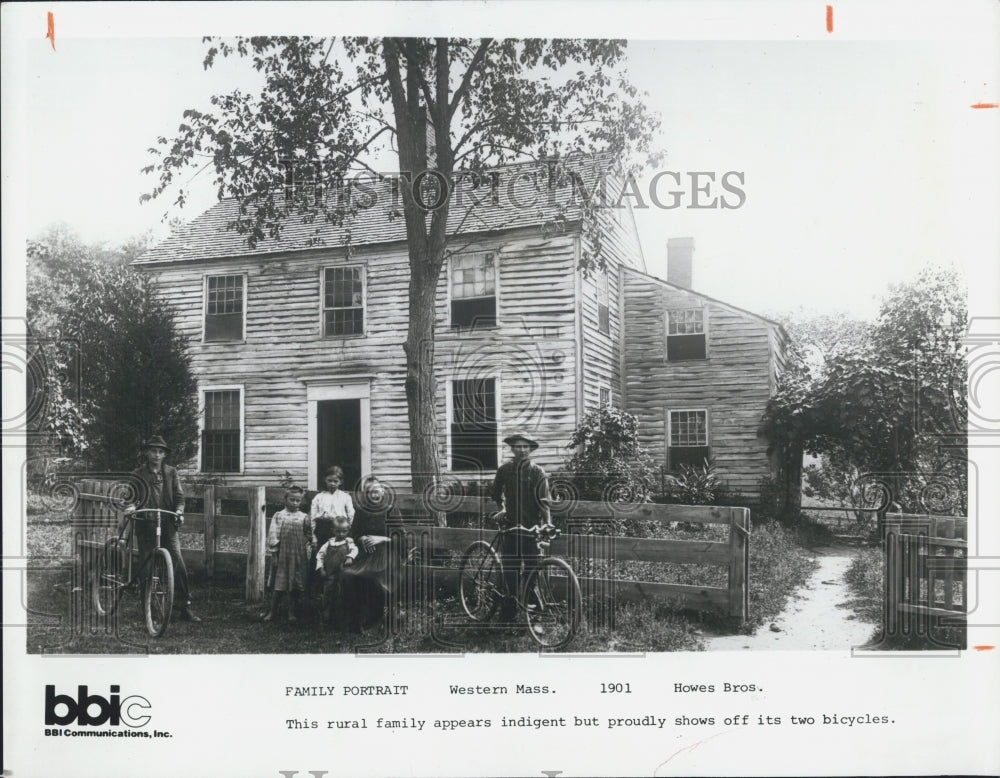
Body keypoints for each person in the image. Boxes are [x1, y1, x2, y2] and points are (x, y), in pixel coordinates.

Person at [126, 435, 200, 622]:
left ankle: (184, 607)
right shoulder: (137, 474)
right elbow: (130, 497)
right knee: (147, 566)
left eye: (160, 452)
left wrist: (179, 511)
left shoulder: (171, 472)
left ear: (164, 455)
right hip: (146, 524)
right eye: (153, 451)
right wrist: (132, 506)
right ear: (147, 452)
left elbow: (179, 497)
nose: (156, 455)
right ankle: (147, 608)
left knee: (178, 563)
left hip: (167, 523)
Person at [491, 432, 552, 623]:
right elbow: (496, 492)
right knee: (510, 570)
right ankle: (508, 611)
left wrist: (547, 524)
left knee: (532, 569)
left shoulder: (537, 472)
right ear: (512, 448)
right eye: (518, 446)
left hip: (531, 529)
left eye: (526, 447)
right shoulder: (504, 470)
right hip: (510, 528)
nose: (522, 450)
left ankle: (531, 606)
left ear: (531, 449)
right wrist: (501, 508)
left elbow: (544, 502)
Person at [264, 485, 311, 623]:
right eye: (292, 500)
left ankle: (291, 612)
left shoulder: (304, 517)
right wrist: (274, 555)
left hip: (298, 556)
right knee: (279, 585)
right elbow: (273, 536)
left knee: (294, 585)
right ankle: (272, 612)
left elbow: (309, 534)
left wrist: (309, 542)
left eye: (298, 500)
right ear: (285, 499)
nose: (295, 503)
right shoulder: (279, 516)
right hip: (283, 555)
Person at [309, 466, 355, 597]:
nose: (332, 483)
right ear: (325, 480)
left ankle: (338, 592)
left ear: (340, 482)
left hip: (339, 530)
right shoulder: (319, 497)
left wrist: (345, 529)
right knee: (320, 558)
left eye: (335, 481)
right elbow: (313, 516)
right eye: (330, 480)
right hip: (322, 529)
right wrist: (313, 536)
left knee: (337, 559)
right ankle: (318, 592)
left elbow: (351, 513)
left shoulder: (345, 497)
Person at [316, 515, 359, 630]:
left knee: (341, 594)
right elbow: (319, 556)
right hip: (329, 575)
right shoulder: (328, 543)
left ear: (348, 531)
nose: (341, 534)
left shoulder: (349, 542)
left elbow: (355, 550)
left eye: (344, 531)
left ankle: (341, 620)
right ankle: (325, 618)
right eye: (338, 531)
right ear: (333, 531)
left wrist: (350, 557)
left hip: (342, 574)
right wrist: (321, 569)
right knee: (327, 594)